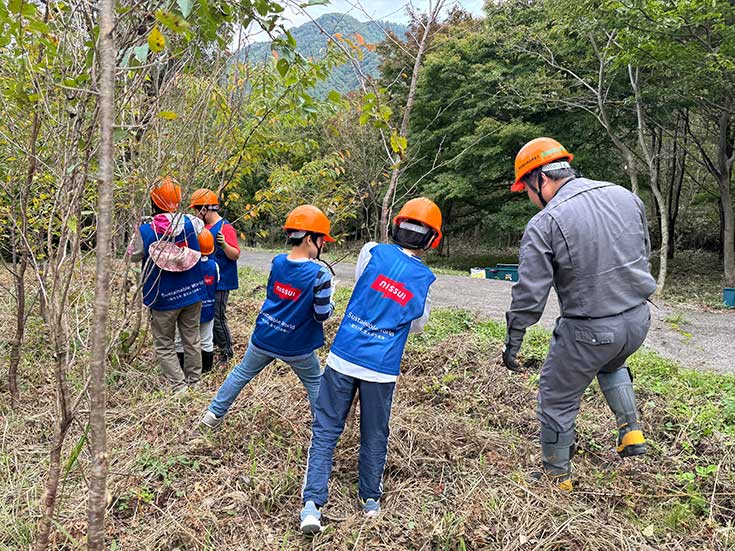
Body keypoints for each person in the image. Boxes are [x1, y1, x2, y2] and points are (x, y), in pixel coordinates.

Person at [502, 137, 657, 490]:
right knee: (611, 362)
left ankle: (555, 478)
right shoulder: (625, 196)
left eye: (526, 188)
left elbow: (530, 294)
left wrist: (514, 341)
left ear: (540, 180)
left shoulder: (546, 222)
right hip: (638, 321)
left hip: (590, 332)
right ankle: (631, 432)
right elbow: (643, 251)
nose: (528, 197)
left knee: (556, 395)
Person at [299, 197, 442, 535]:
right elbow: (418, 323)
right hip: (382, 367)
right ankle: (370, 502)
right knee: (374, 433)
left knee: (325, 430)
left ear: (396, 225)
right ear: (432, 240)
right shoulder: (425, 279)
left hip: (344, 355)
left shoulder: (371, 251)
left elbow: (365, 283)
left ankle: (312, 506)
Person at [200, 205, 336, 429]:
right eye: (322, 240)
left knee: (241, 373)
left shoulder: (278, 261)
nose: (323, 245)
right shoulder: (320, 274)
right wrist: (331, 302)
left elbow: (274, 294)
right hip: (297, 345)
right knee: (314, 383)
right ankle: (323, 431)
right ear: (310, 239)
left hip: (265, 334)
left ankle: (212, 416)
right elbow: (321, 315)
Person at [129, 177, 206, 392]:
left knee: (164, 343)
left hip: (163, 298)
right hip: (193, 291)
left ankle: (179, 387)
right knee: (192, 338)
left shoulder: (146, 230)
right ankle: (195, 382)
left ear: (153, 201)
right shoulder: (191, 223)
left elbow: (134, 256)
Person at [189, 188, 240, 366]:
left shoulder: (225, 227)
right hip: (206, 281)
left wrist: (224, 245)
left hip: (222, 281)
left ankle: (226, 352)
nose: (195, 213)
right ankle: (212, 345)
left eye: (196, 209)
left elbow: (235, 255)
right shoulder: (202, 227)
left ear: (204, 209)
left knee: (218, 316)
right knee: (207, 316)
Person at [175, 228, 220, 375]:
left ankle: (182, 369)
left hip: (187, 309)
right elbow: (217, 283)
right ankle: (207, 370)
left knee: (180, 340)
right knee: (207, 340)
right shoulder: (214, 266)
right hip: (208, 308)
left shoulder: (187, 265)